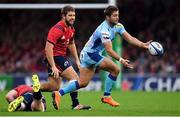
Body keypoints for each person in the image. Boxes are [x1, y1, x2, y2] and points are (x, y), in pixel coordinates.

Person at [52, 5, 152, 108]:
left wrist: (142, 44)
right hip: (91, 54)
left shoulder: (118, 26)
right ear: (107, 17)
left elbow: (129, 38)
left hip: (87, 53)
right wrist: (121, 60)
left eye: (117, 15)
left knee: (83, 83)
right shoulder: (104, 30)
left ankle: (59, 93)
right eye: (114, 16)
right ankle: (107, 96)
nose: (117, 17)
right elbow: (108, 50)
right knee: (115, 69)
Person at [40, 5, 91, 110]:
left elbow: (71, 44)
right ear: (63, 16)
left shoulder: (71, 28)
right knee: (75, 78)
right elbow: (48, 49)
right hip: (54, 57)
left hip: (58, 57)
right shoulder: (57, 29)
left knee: (53, 86)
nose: (73, 17)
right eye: (70, 15)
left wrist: (77, 60)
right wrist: (53, 66)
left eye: (74, 15)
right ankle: (75, 104)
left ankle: (30, 89)